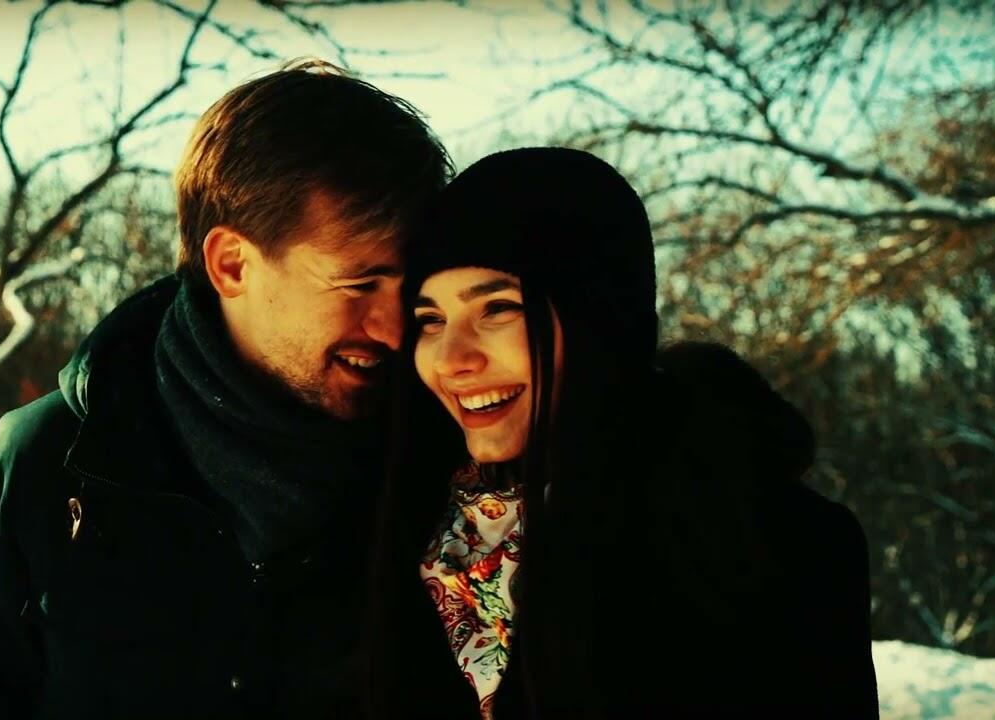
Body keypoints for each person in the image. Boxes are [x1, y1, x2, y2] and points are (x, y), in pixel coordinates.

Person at [0, 60, 452, 718]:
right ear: (231, 265)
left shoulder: (452, 479)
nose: (394, 329)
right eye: (359, 284)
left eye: (412, 286)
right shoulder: (43, 475)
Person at [367, 147, 879, 718]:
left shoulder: (769, 544)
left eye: (498, 309)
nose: (451, 359)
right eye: (431, 320)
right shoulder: (401, 531)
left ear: (598, 319)